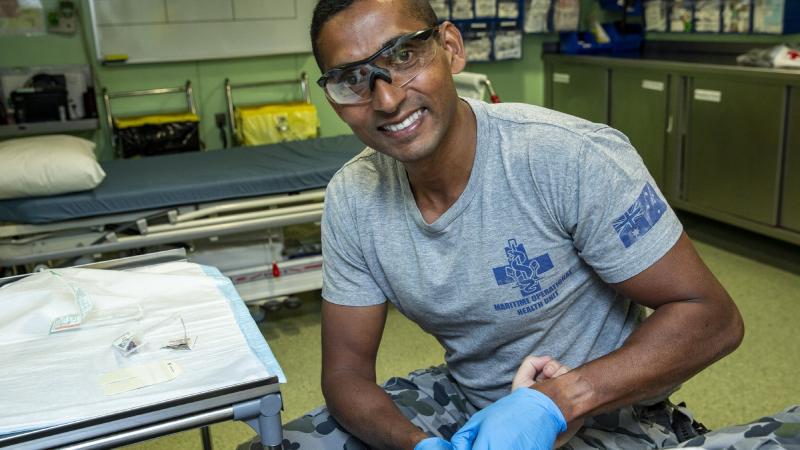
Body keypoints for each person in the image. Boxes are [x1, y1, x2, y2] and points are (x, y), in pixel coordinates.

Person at [252, 1, 798, 449]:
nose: (388, 98)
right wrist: (420, 446)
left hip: (608, 415)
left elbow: (714, 318)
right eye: (352, 80)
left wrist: (555, 404)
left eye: (404, 55)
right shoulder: (354, 199)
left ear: (450, 48)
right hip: (468, 402)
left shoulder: (565, 157)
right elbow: (345, 374)